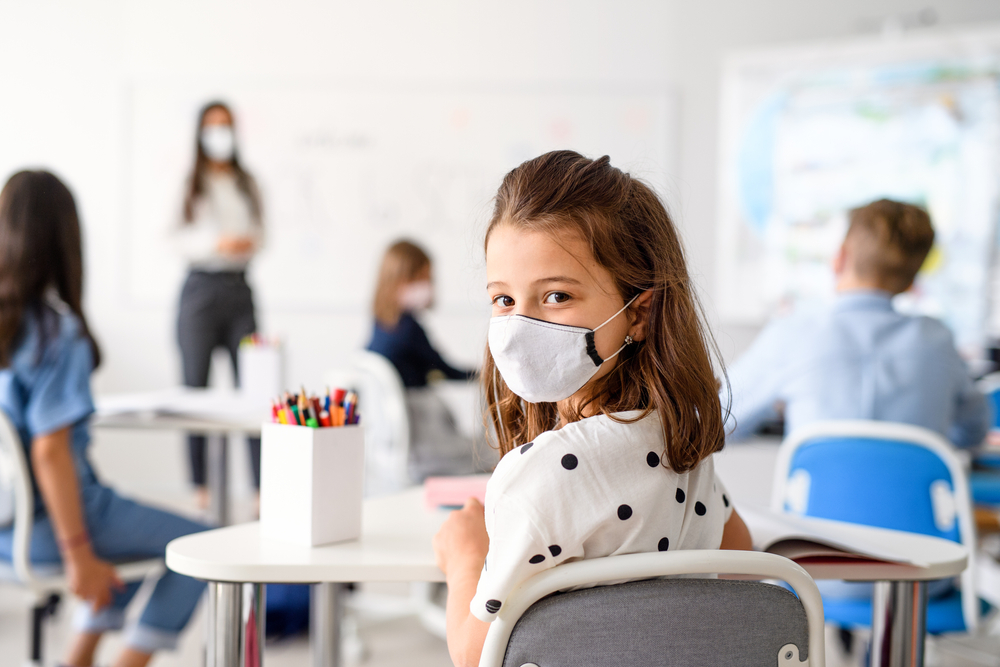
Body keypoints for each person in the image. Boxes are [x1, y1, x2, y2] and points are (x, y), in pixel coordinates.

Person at [431, 151, 752, 667]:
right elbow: (738, 553)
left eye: (557, 296)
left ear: (640, 312)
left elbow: (473, 652)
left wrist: (465, 555)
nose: (519, 328)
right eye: (504, 300)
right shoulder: (678, 442)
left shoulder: (534, 479)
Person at [0, 171, 209, 667]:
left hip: (7, 526)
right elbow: (50, 452)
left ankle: (79, 660)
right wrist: (78, 556)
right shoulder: (55, 333)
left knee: (127, 541)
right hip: (49, 527)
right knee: (204, 544)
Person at [723, 198, 988, 448]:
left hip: (818, 497)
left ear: (839, 258)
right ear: (911, 281)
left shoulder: (793, 333)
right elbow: (974, 432)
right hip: (915, 497)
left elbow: (718, 422)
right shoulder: (938, 340)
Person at [173, 101, 264, 510]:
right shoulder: (188, 183)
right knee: (195, 388)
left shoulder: (249, 182)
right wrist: (215, 243)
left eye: (225, 126)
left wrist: (245, 243)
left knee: (254, 387)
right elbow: (171, 236)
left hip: (239, 288)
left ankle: (260, 489)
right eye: (212, 127)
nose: (219, 134)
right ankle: (200, 487)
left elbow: (264, 232)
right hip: (199, 290)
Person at [367, 240, 482, 481]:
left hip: (400, 447)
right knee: (493, 453)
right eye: (420, 278)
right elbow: (444, 369)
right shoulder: (409, 330)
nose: (427, 286)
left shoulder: (379, 325)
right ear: (399, 280)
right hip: (425, 443)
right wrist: (483, 374)